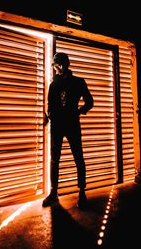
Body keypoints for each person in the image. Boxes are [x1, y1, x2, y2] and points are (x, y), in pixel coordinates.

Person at [42, 52, 94, 210]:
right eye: (55, 64)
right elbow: (50, 104)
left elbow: (89, 101)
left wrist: (78, 112)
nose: (56, 67)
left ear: (64, 64)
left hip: (72, 124)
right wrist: (48, 115)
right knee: (54, 159)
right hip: (57, 125)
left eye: (57, 64)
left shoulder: (78, 82)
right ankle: (54, 192)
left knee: (78, 157)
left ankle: (82, 192)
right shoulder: (53, 84)